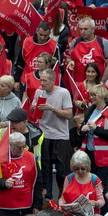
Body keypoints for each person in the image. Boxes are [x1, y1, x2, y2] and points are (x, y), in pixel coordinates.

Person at [32, 68, 74, 203]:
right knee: (45, 168)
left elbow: (69, 114)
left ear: (53, 80)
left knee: (62, 171)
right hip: (44, 135)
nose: (41, 83)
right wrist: (34, 108)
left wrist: (52, 108)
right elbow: (33, 112)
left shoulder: (63, 92)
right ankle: (48, 198)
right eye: (40, 80)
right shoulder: (39, 92)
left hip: (61, 136)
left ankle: (62, 196)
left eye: (44, 80)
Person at [79, 84, 108, 208]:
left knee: (101, 187)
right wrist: (83, 129)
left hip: (106, 157)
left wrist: (96, 129)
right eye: (90, 95)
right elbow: (83, 131)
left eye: (94, 95)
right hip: (90, 153)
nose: (91, 97)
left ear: (102, 95)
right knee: (91, 186)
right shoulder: (90, 110)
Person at [58, 151, 104, 216]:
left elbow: (102, 201)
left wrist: (95, 203)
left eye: (83, 168)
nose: (79, 171)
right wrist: (61, 206)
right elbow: (62, 198)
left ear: (87, 166)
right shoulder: (69, 178)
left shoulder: (95, 179)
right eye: (76, 169)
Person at [68, 17, 108, 83]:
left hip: (97, 84)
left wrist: (102, 82)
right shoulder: (75, 42)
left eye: (85, 29)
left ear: (93, 29)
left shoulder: (103, 42)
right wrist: (70, 61)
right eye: (81, 29)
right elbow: (68, 58)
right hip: (79, 84)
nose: (83, 32)